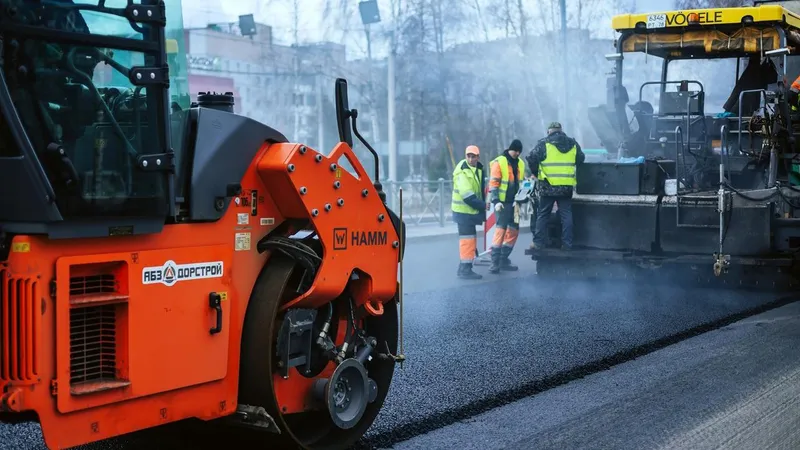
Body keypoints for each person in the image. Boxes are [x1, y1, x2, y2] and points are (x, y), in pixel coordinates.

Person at [527, 122, 585, 252]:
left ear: (549, 131)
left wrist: (536, 173)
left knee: (543, 214)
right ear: (561, 130)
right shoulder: (572, 144)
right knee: (566, 215)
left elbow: (531, 158)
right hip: (565, 186)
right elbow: (581, 159)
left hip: (547, 186)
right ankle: (567, 244)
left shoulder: (543, 144)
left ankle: (538, 243)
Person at [488, 139, 526, 274]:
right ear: (511, 149)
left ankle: (503, 258)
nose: (517, 154)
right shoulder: (500, 162)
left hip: (515, 203)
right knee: (500, 231)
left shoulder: (521, 163)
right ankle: (494, 262)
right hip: (502, 204)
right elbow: (494, 184)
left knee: (514, 230)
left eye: (519, 152)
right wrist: (496, 200)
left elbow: (521, 183)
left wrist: (523, 196)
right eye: (516, 151)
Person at [451, 145, 485, 280]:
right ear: (466, 156)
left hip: (468, 212)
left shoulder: (477, 169)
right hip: (463, 212)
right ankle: (465, 269)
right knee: (468, 241)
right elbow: (468, 197)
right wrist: (484, 206)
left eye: (473, 156)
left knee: (470, 240)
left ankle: (463, 267)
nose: (470, 159)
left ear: (478, 157)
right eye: (468, 156)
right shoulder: (462, 172)